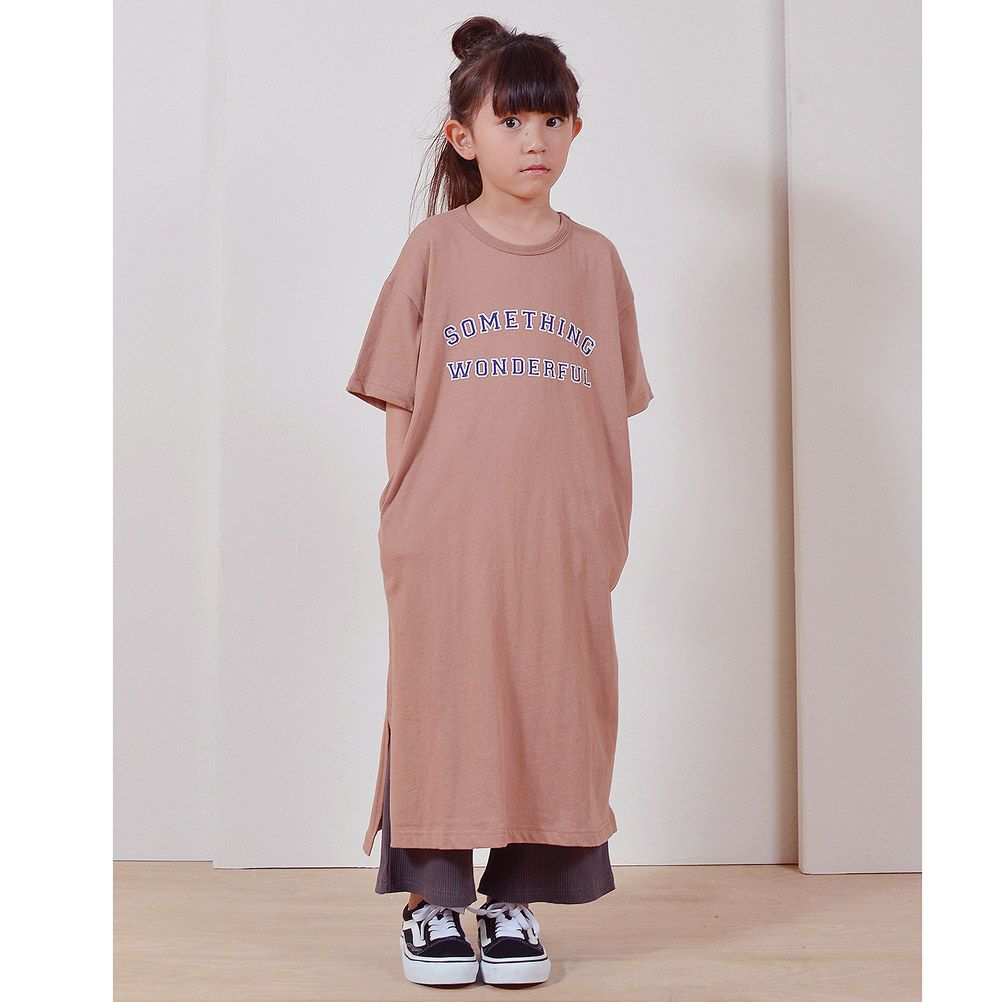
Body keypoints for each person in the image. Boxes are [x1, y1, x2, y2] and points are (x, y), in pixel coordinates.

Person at [345, 14, 654, 988]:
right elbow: (398, 395)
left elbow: (611, 407)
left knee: (552, 706)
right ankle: (433, 902)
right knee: (445, 704)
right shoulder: (434, 251)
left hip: (562, 537)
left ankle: (516, 900)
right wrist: (405, 517)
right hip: (446, 532)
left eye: (552, 120)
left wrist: (600, 525)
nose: (535, 140)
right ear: (464, 136)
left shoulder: (596, 261)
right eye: (512, 121)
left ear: (576, 130)